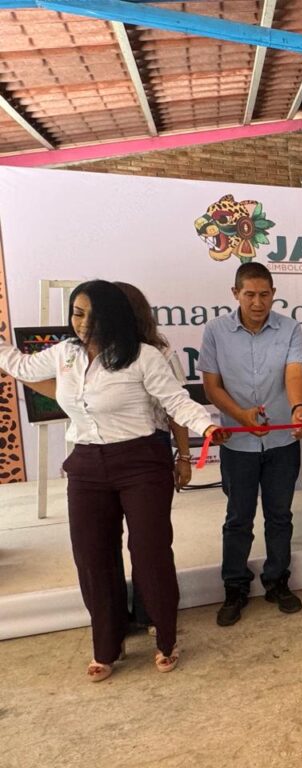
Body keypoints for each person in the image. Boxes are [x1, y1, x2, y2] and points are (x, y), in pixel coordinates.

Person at [0, 279, 222, 681]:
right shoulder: (65, 354)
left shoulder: (143, 356)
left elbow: (175, 401)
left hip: (141, 463)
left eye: (92, 314)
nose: (82, 323)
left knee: (150, 552)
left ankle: (165, 639)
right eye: (77, 313)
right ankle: (107, 643)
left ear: (113, 316)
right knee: (92, 557)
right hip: (86, 467)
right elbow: (20, 366)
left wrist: (206, 426)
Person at [23, 281, 193, 632]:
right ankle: (115, 622)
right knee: (99, 547)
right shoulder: (77, 354)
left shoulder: (155, 353)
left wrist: (184, 456)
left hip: (147, 446)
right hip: (97, 452)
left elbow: (177, 407)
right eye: (83, 313)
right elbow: (62, 389)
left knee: (148, 545)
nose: (90, 323)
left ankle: (151, 616)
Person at [199, 262, 302, 626]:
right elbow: (211, 386)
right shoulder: (215, 331)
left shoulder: (290, 328)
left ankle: (277, 581)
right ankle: (235, 587)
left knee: (280, 516)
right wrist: (240, 416)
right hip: (238, 444)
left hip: (282, 442)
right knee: (238, 519)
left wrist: (297, 408)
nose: (258, 302)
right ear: (236, 293)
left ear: (274, 293)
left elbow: (294, 372)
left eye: (265, 294)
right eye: (250, 294)